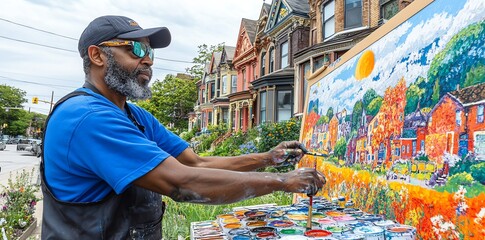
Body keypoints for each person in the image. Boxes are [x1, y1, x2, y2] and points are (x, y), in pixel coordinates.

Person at [41, 15, 326, 239]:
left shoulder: (134, 116)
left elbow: (197, 163)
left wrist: (267, 158)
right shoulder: (87, 118)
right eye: (136, 49)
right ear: (97, 55)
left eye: (150, 50)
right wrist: (285, 181)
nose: (148, 59)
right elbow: (182, 183)